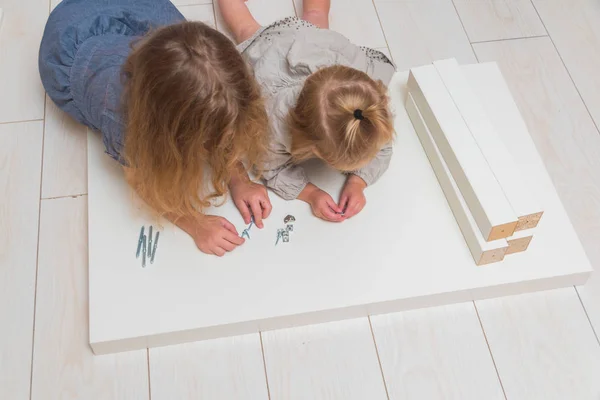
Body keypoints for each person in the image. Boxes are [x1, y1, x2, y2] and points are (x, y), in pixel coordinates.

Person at [39, 0, 272, 256]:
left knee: (191, 65)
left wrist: (239, 178)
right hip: (69, 39)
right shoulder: (123, 121)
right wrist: (196, 224)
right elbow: (141, 181)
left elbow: (222, 116)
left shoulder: (178, 54)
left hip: (126, 10)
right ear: (168, 133)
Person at [219, 0, 396, 222]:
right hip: (267, 52)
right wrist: (311, 194)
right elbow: (272, 170)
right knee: (246, 28)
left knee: (316, 18)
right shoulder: (273, 127)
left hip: (313, 45)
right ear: (311, 147)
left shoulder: (367, 105)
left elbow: (382, 147)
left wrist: (358, 182)